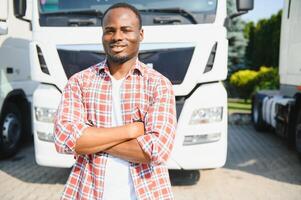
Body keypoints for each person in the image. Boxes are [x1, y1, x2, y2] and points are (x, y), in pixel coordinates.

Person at [54, 3, 177, 200]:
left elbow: (156, 150)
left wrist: (90, 137)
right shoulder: (79, 82)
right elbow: (64, 140)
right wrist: (130, 130)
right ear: (102, 35)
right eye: (109, 31)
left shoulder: (159, 84)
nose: (117, 37)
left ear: (141, 34)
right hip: (87, 192)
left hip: (147, 192)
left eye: (126, 30)